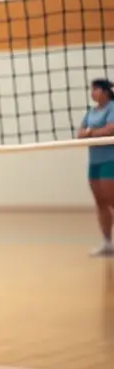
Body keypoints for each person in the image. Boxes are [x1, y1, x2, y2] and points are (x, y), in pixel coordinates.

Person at [80, 78, 114, 256]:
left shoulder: (112, 107)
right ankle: (107, 243)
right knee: (100, 202)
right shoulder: (91, 112)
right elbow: (79, 134)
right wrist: (91, 133)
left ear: (106, 91)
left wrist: (91, 132)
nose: (92, 93)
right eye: (91, 89)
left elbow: (110, 129)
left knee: (112, 200)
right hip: (94, 161)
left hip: (111, 160)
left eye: (96, 89)